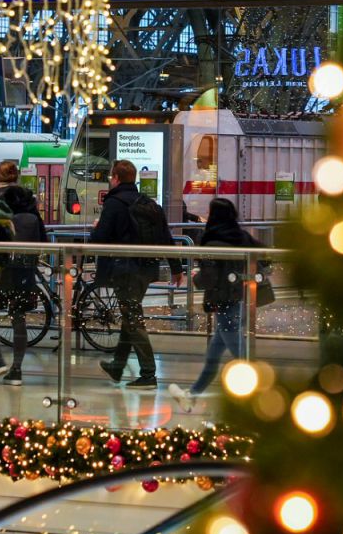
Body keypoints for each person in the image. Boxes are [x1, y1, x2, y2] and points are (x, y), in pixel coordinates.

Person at [92, 159, 182, 390]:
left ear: (116, 178)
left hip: (124, 270)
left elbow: (99, 239)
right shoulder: (149, 203)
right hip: (146, 269)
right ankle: (118, 366)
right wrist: (176, 268)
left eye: (111, 176)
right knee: (129, 316)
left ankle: (148, 373)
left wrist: (96, 227)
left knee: (133, 319)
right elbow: (166, 237)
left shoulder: (114, 203)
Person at [169, 198, 259, 413]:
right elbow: (262, 258)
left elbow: (209, 277)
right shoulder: (240, 236)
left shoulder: (213, 242)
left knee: (241, 356)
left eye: (210, 212)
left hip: (225, 304)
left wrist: (196, 278)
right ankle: (191, 395)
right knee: (213, 356)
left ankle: (260, 398)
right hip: (240, 301)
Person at [0, 160, 49, 386]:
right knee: (18, 315)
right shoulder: (28, 200)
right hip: (24, 265)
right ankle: (16, 370)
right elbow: (41, 234)